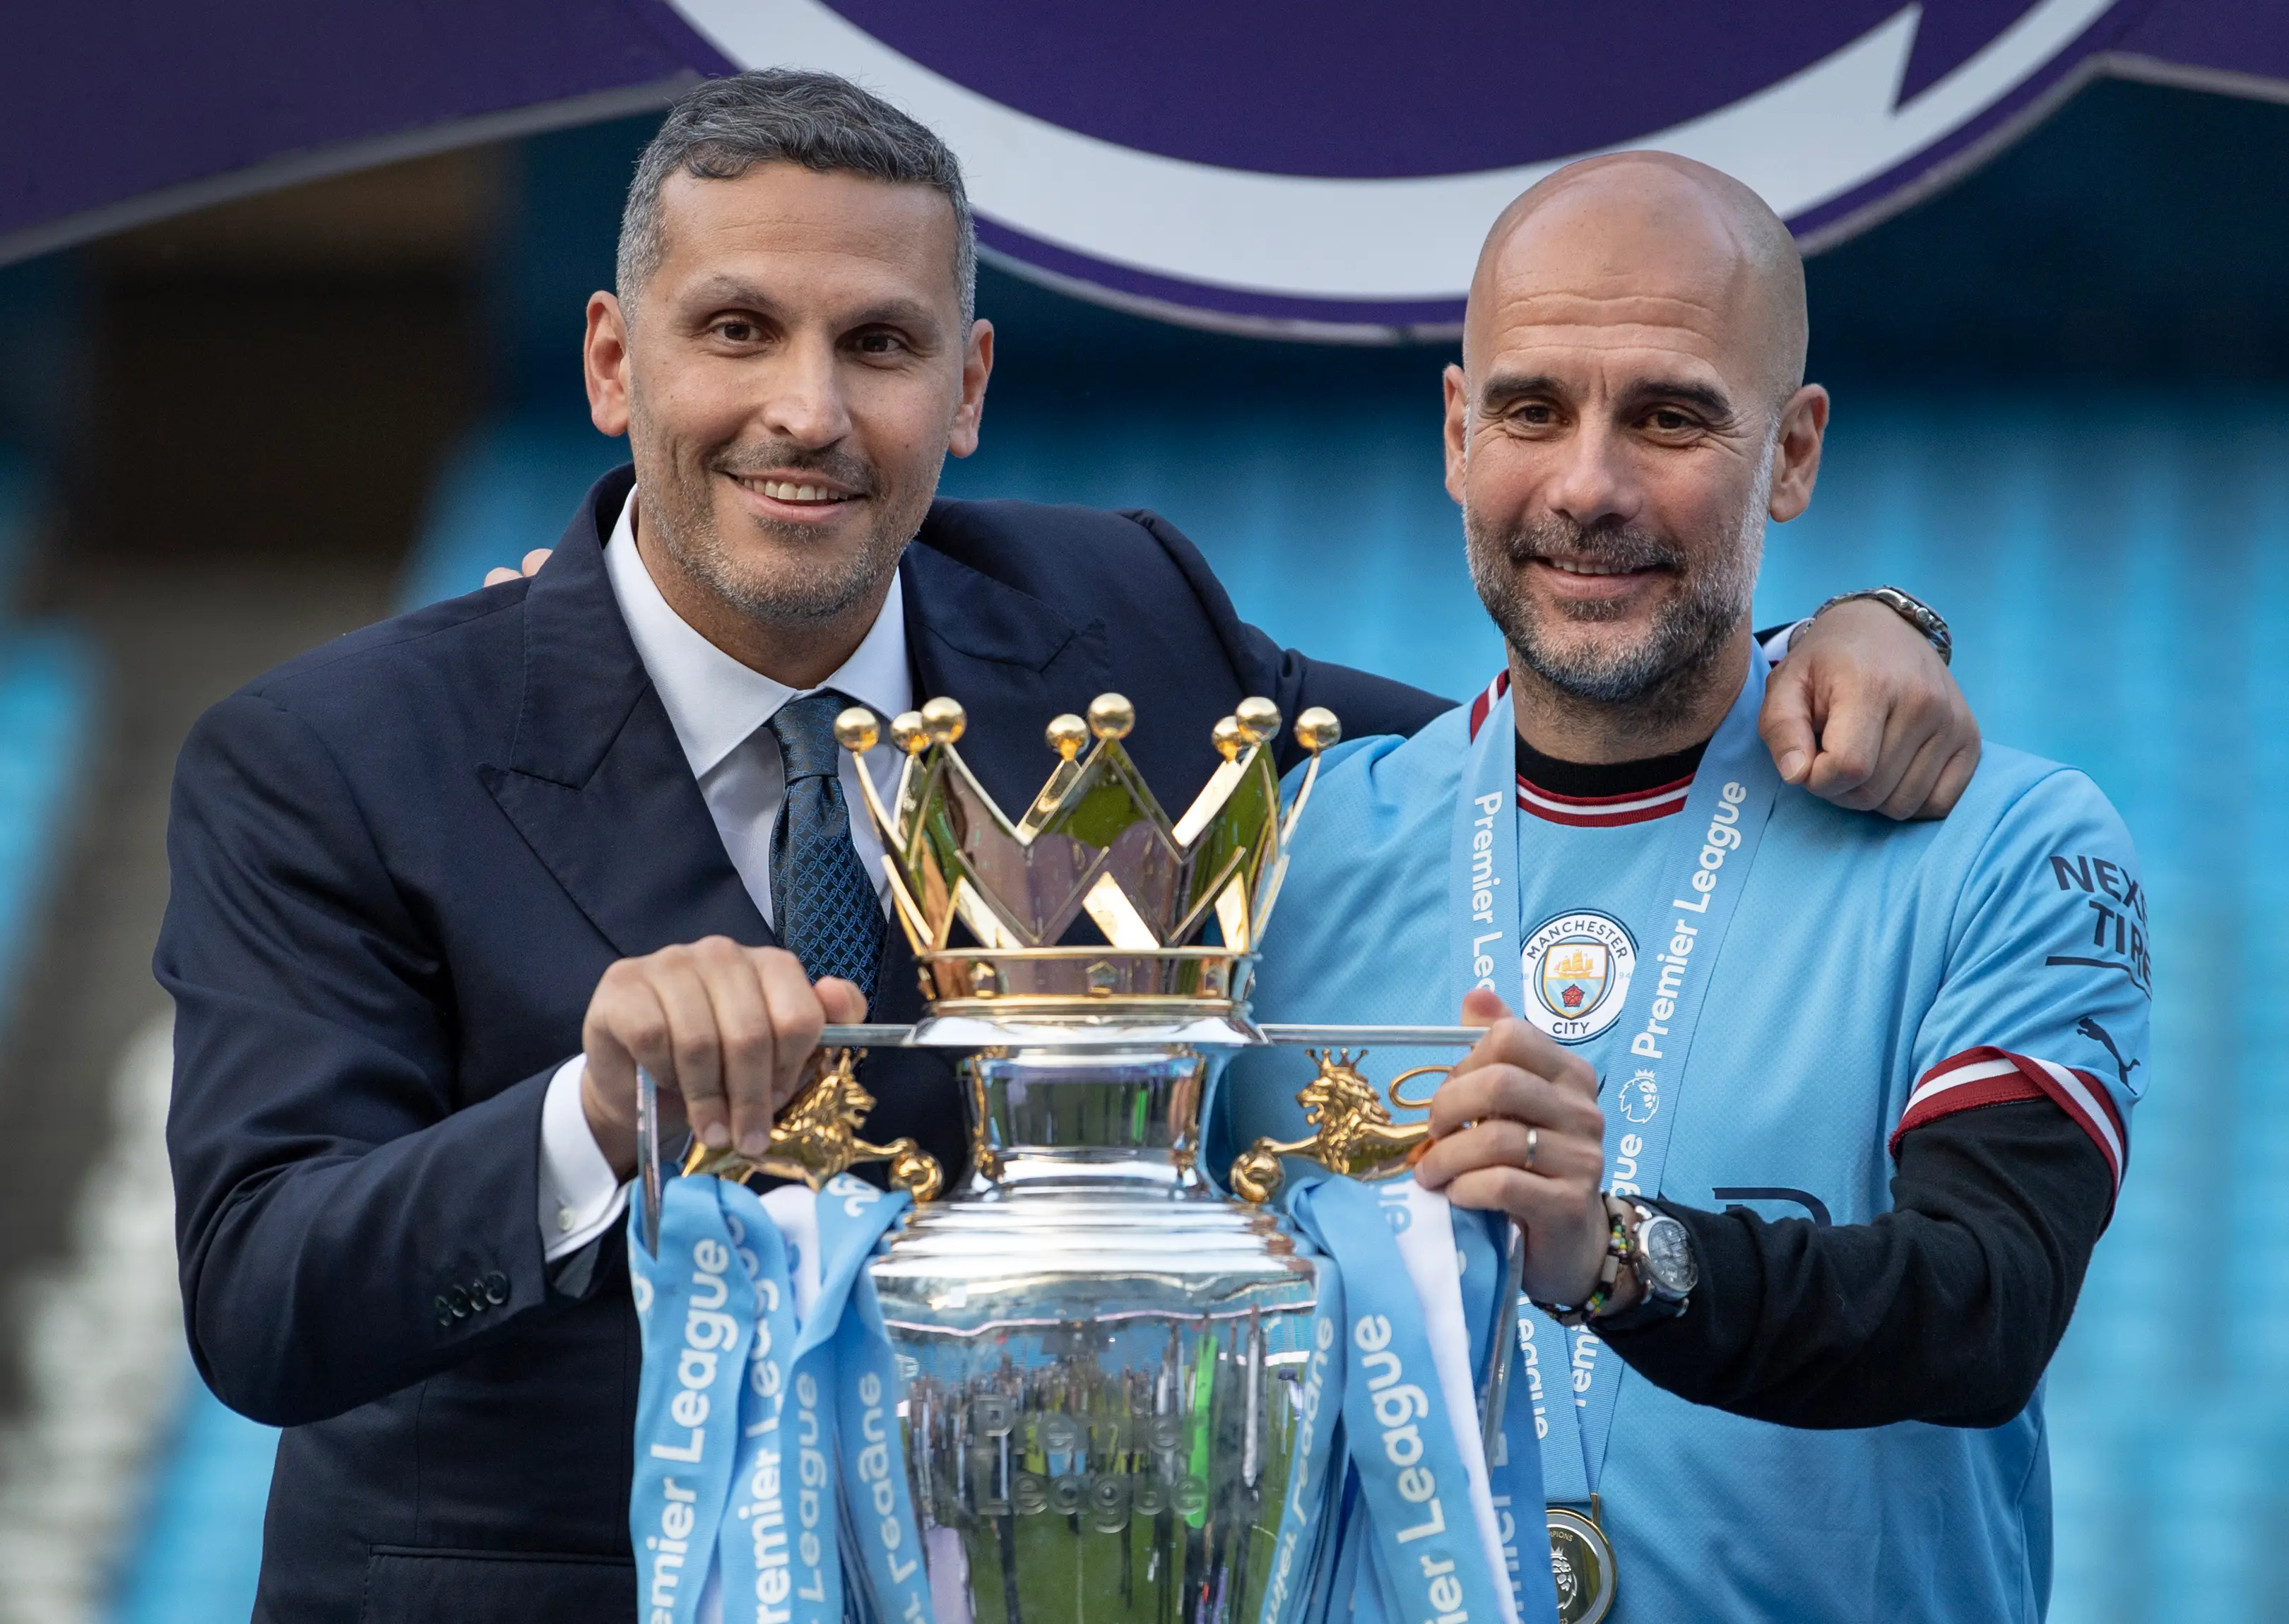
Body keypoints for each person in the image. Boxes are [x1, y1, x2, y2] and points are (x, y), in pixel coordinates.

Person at [158, 73, 1977, 1622]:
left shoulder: (1115, 618)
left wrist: (1853, 629)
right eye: (739, 331)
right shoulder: (328, 757)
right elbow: (262, 1296)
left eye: (880, 344)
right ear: (614, 363)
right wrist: (590, 1116)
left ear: (967, 386)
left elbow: (1534, 722)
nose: (809, 409)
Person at [1220, 153, 2144, 1623]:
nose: (1589, 486)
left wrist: (1616, 1259)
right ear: (1458, 432)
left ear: (1792, 451)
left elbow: (1984, 1308)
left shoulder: (1999, 839)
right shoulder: (1274, 853)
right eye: (1533, 410)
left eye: (1669, 417)